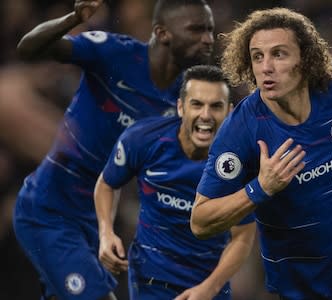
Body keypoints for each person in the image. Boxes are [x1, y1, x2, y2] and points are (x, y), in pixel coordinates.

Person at [190, 7, 332, 300]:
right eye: (257, 56)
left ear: (305, 60)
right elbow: (200, 222)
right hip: (299, 278)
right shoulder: (241, 131)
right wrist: (260, 188)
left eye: (278, 54)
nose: (266, 67)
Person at [12, 0, 216, 299]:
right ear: (163, 33)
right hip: (49, 211)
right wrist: (72, 19)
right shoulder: (114, 53)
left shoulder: (184, 102)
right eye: (197, 29)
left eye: (210, 30)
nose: (208, 39)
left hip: (98, 227)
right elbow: (28, 49)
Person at [94, 65, 256, 300]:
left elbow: (243, 236)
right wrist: (106, 233)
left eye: (216, 106)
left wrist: (209, 288)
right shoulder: (143, 140)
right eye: (197, 104)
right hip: (150, 280)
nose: (206, 115)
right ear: (181, 107)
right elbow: (107, 184)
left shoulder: (237, 164)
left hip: (208, 287)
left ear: (230, 112)